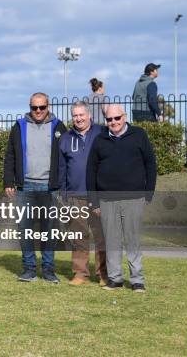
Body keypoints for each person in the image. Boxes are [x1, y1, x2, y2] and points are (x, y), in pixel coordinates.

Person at [87, 104, 157, 292]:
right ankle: (115, 279)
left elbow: (150, 163)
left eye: (117, 118)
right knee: (112, 240)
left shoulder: (139, 135)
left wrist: (149, 192)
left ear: (124, 117)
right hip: (107, 199)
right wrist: (93, 201)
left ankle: (137, 281)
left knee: (132, 239)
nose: (113, 122)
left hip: (133, 198)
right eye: (109, 119)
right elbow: (91, 170)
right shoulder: (100, 139)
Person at [4, 92, 67, 283]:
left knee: (49, 230)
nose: (38, 111)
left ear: (48, 106)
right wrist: (8, 181)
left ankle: (48, 270)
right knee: (25, 230)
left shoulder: (59, 127)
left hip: (51, 187)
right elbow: (10, 156)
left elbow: (66, 158)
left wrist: (64, 185)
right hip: (26, 188)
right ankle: (29, 269)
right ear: (29, 107)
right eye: (34, 107)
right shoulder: (19, 126)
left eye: (42, 107)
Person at [58, 101, 107, 286]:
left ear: (89, 116)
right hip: (74, 195)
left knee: (102, 236)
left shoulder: (102, 133)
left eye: (81, 115)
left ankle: (104, 274)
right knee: (78, 236)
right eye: (75, 115)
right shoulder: (65, 138)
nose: (78, 118)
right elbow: (62, 169)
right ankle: (80, 274)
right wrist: (63, 194)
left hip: (98, 195)